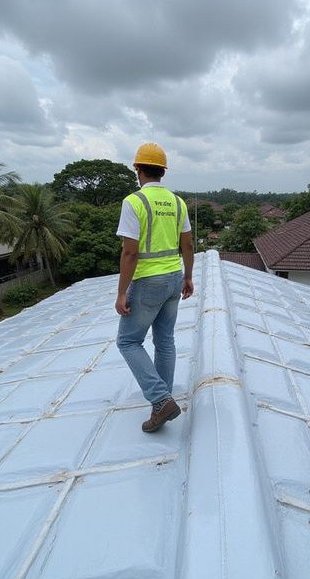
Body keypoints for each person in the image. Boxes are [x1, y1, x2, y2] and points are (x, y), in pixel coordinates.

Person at [115, 142, 194, 432]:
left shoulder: (133, 201)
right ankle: (162, 404)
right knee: (165, 341)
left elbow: (130, 253)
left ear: (138, 169)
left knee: (128, 341)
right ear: (162, 171)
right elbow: (187, 244)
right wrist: (188, 276)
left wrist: (122, 292)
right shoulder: (178, 202)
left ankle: (161, 400)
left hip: (148, 281)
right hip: (174, 277)